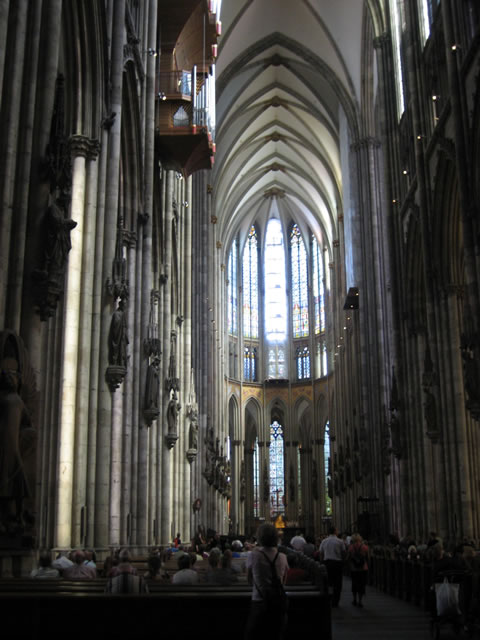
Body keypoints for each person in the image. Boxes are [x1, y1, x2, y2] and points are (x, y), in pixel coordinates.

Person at [244, 523, 289, 640]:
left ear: (259, 537)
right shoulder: (283, 557)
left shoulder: (253, 555)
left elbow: (249, 580)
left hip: (259, 601)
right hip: (278, 603)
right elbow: (284, 581)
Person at [319, 525, 346, 607]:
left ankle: (329, 599)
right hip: (337, 563)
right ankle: (336, 601)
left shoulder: (324, 541)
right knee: (337, 583)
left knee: (329, 582)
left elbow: (321, 553)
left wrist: (322, 562)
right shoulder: (340, 541)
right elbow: (344, 552)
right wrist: (343, 562)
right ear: (335, 531)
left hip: (327, 563)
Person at [347, 533, 369, 607]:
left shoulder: (351, 547)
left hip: (354, 568)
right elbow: (367, 558)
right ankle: (360, 601)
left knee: (354, 583)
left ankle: (354, 599)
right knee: (361, 584)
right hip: (363, 568)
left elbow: (348, 558)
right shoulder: (365, 547)